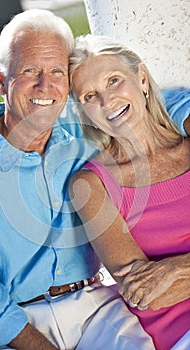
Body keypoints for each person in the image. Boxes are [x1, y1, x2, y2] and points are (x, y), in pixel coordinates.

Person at [0, 9, 189, 350]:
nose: (44, 85)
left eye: (55, 72)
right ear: (0, 79)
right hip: (17, 323)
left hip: (94, 307)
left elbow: (139, 102)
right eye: (29, 71)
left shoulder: (81, 125)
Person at [68, 34, 190, 350]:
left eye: (114, 80)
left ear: (143, 79)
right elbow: (150, 294)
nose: (107, 102)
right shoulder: (90, 186)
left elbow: (167, 282)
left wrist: (175, 269)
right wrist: (163, 282)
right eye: (90, 96)